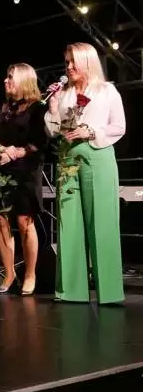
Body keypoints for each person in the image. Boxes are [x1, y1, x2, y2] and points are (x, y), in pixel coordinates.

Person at [44, 42, 126, 304]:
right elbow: (53, 131)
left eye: (73, 62)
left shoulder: (107, 91)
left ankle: (109, 293)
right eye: (66, 62)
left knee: (102, 222)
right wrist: (53, 107)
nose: (68, 67)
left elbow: (119, 126)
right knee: (68, 223)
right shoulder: (64, 94)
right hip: (68, 158)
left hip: (97, 157)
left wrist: (90, 131)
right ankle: (71, 291)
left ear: (88, 62)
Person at [0, 64, 48, 296]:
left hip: (26, 170)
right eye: (6, 77)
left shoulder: (37, 108)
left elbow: (40, 143)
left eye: (11, 78)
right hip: (2, 170)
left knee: (24, 222)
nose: (6, 81)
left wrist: (14, 153)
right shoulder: (2, 109)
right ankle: (9, 273)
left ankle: (30, 274)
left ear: (24, 80)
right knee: (1, 220)